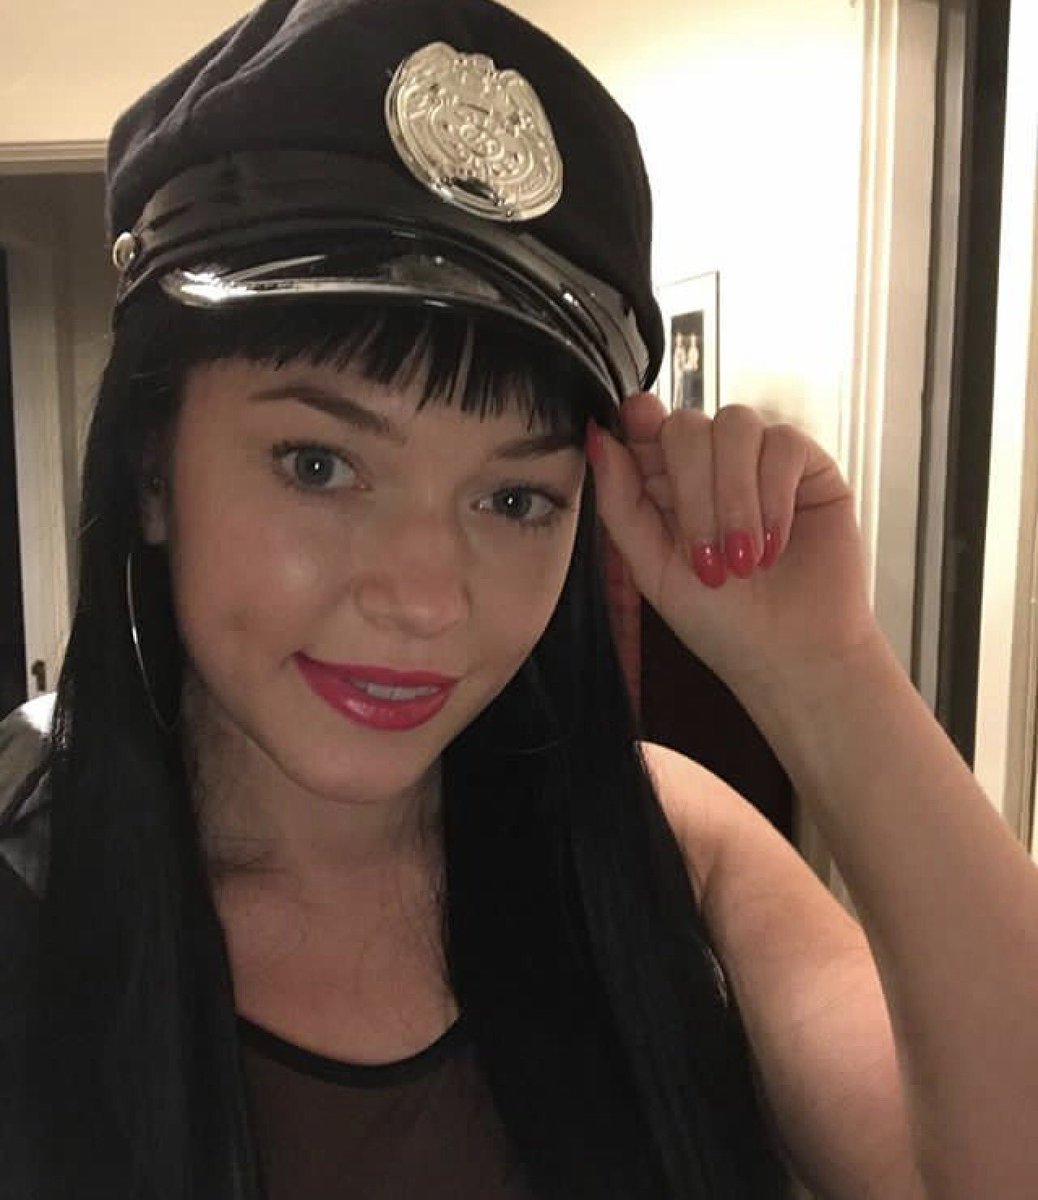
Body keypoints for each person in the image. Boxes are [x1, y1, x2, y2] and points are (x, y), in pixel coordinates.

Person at [1, 1, 1036, 1197]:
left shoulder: (666, 849)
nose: (425, 598)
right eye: (318, 464)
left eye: (513, 499)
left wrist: (829, 675)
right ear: (151, 472)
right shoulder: (36, 907)